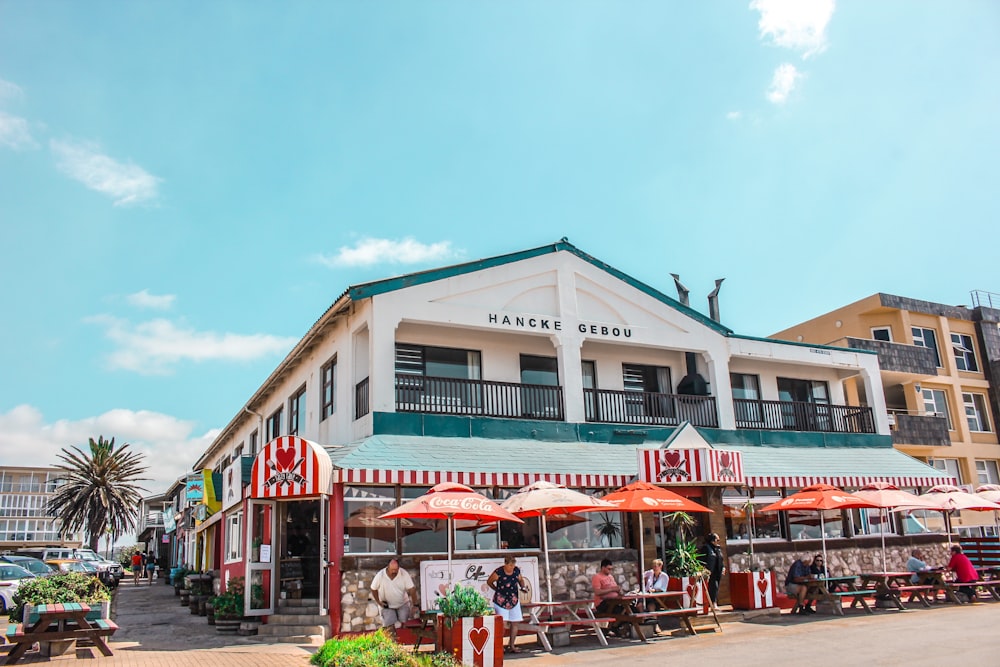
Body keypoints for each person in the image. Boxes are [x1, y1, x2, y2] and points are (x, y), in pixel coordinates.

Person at [487, 555, 527, 654]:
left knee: (515, 622)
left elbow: (520, 579)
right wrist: (496, 590)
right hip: (501, 600)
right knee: (503, 623)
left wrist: (522, 586)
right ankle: (500, 645)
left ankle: (512, 645)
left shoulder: (516, 570)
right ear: (505, 564)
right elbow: (489, 581)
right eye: (510, 565)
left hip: (513, 599)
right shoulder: (499, 572)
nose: (512, 567)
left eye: (513, 565)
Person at [370, 558, 418, 632]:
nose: (394, 571)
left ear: (398, 568)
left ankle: (403, 640)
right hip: (387, 605)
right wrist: (379, 602)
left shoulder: (403, 573)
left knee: (404, 622)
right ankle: (392, 641)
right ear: (388, 567)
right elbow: (373, 588)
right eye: (392, 569)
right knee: (389, 626)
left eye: (396, 569)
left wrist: (415, 604)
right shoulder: (380, 575)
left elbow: (412, 589)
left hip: (402, 603)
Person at [592, 559, 630, 637]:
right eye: (608, 569)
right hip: (603, 603)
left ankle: (613, 627)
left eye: (611, 569)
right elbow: (597, 592)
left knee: (628, 609)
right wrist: (612, 589)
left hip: (615, 600)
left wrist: (619, 591)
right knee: (620, 610)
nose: (610, 571)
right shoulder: (597, 577)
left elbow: (615, 588)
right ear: (603, 568)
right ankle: (613, 627)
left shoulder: (610, 577)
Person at [701, 533, 725, 610]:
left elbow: (721, 558)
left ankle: (713, 603)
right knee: (713, 587)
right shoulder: (706, 548)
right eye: (717, 539)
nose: (718, 541)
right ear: (712, 540)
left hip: (717, 570)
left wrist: (723, 567)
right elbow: (702, 560)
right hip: (710, 571)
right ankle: (712, 604)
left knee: (715, 587)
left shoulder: (717, 548)